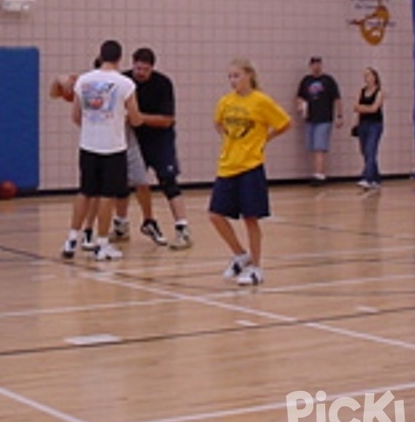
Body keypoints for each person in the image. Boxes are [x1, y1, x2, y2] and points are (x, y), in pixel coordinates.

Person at [209, 58, 291, 286]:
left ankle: (256, 267)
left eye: (236, 75)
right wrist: (228, 138)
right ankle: (240, 254)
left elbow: (285, 123)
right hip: (227, 165)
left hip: (250, 166)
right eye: (230, 76)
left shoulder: (261, 101)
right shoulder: (225, 101)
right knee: (215, 215)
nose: (233, 80)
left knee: (250, 218)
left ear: (249, 76)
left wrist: (265, 138)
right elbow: (217, 123)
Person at [60, 41, 143, 262]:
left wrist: (93, 126)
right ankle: (102, 243)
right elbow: (135, 118)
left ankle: (71, 239)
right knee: (107, 196)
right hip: (113, 147)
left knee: (85, 192)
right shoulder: (125, 84)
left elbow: (76, 116)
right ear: (120, 58)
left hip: (88, 144)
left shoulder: (84, 81)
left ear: (100, 55)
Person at [126, 47, 193, 249]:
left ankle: (182, 229)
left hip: (160, 139)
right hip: (135, 140)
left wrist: (138, 117)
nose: (140, 73)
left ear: (152, 68)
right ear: (133, 64)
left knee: (169, 182)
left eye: (145, 70)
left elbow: (167, 119)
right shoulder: (124, 82)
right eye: (138, 68)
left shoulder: (163, 84)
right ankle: (123, 224)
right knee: (126, 184)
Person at [295, 56, 342, 183]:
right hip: (310, 118)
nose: (316, 66)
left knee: (319, 147)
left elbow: (337, 99)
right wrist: (301, 106)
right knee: (312, 146)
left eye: (318, 64)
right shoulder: (306, 81)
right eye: (314, 64)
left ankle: (320, 173)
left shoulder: (328, 80)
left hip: (324, 118)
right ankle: (316, 171)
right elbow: (299, 97)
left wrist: (339, 116)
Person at [353, 67, 385, 190]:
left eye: (369, 75)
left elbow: (374, 108)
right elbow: (355, 107)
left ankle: (366, 177)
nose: (366, 78)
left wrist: (363, 108)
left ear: (374, 77)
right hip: (363, 124)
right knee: (365, 152)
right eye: (365, 75)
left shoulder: (379, 92)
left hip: (375, 125)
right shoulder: (361, 91)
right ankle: (376, 178)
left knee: (371, 150)